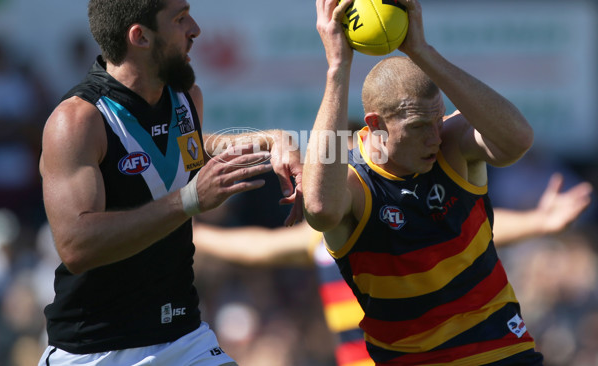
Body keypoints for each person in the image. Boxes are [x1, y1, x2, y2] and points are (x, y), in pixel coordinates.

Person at [37, 0, 302, 366]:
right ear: (140, 36)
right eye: (180, 19)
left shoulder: (184, 98)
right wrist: (189, 200)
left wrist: (272, 139)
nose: (195, 29)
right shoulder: (77, 120)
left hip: (185, 338)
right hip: (94, 349)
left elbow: (191, 149)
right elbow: (77, 245)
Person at [301, 0, 545, 364]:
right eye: (418, 127)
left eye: (438, 120)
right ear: (375, 126)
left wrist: (420, 50)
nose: (435, 136)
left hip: (503, 352)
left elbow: (517, 140)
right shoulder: (355, 183)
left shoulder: (451, 144)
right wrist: (336, 68)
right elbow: (319, 209)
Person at [193, 170, 592, 366]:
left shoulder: (395, 220)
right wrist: (188, 233)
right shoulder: (324, 237)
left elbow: (482, 227)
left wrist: (539, 222)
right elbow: (257, 248)